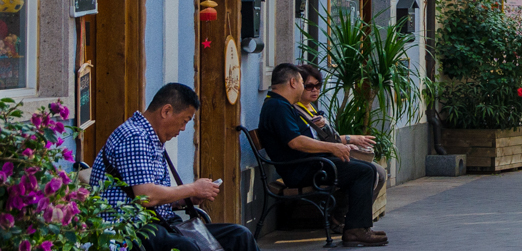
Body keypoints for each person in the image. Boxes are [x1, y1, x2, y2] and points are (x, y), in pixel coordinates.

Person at [91, 82, 260, 251]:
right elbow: (146, 197)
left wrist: (181, 200)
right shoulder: (135, 137)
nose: (183, 128)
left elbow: (149, 196)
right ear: (166, 111)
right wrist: (192, 189)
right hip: (131, 229)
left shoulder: (150, 137)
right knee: (187, 247)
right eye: (184, 121)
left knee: (239, 236)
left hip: (160, 223)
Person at [258, 62, 387, 246]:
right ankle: (355, 230)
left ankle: (358, 227)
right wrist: (332, 148)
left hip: (309, 165)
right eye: (303, 83)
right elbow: (296, 141)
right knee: (364, 172)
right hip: (301, 171)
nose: (305, 87)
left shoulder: (279, 105)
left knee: (365, 168)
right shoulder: (277, 106)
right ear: (293, 82)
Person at [297, 65, 388, 198]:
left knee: (379, 172)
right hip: (316, 164)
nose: (315, 90)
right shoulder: (296, 111)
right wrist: (345, 142)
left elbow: (328, 137)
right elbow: (312, 141)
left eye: (318, 86)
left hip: (325, 158)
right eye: (309, 86)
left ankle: (351, 213)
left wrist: (347, 142)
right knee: (369, 172)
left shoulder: (311, 107)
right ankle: (343, 214)